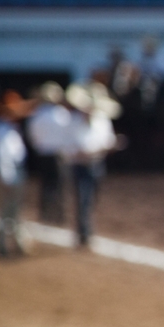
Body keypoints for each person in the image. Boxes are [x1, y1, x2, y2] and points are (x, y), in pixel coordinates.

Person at [60, 82, 125, 248]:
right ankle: (84, 233)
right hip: (79, 165)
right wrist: (81, 153)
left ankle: (85, 230)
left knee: (91, 198)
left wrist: (112, 146)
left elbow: (107, 141)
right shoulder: (72, 122)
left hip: (96, 165)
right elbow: (67, 148)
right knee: (83, 198)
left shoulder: (102, 121)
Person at [0, 90, 36, 257]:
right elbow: (1, 156)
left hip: (13, 172)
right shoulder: (1, 129)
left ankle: (14, 243)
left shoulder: (8, 128)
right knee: (8, 211)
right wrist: (6, 177)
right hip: (9, 174)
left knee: (13, 211)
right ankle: (5, 244)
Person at [27, 81, 71, 224]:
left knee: (45, 184)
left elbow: (32, 135)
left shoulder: (37, 114)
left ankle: (45, 214)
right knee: (58, 185)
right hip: (58, 154)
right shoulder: (61, 114)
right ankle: (58, 215)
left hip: (42, 153)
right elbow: (68, 135)